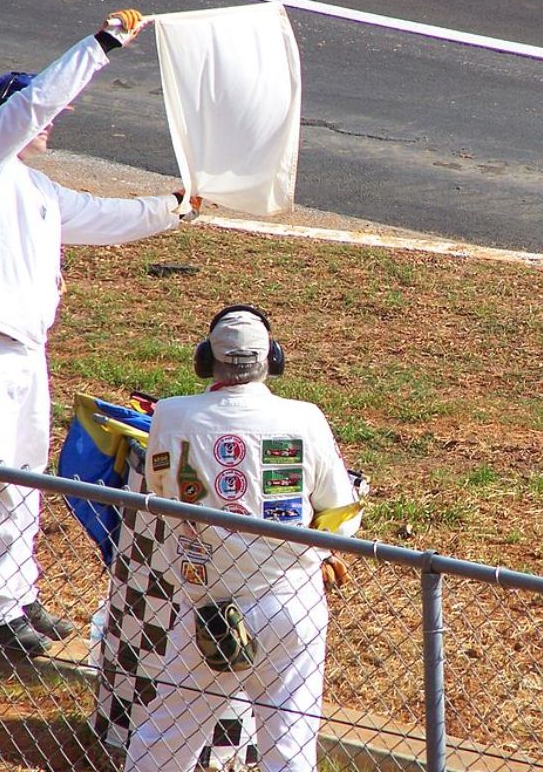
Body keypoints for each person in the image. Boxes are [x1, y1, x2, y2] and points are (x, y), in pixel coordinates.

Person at [0, 9, 194, 656]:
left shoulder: (37, 189)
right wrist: (102, 44)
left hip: (22, 351)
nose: (48, 124)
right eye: (36, 115)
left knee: (25, 478)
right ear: (5, 116)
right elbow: (37, 101)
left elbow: (105, 217)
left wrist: (176, 208)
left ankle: (18, 596)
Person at [125, 305, 365, 772]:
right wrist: (317, 551)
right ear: (272, 358)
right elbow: (341, 510)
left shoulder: (172, 416)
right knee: (290, 743)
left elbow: (159, 489)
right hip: (291, 601)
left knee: (166, 738)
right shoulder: (305, 418)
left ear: (204, 359)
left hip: (207, 604)